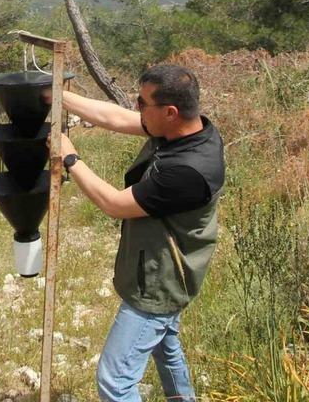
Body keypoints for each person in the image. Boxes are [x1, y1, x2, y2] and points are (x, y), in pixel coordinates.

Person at [59, 65, 225, 402]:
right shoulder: (187, 130)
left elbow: (115, 204)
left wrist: (70, 157)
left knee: (115, 380)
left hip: (159, 282)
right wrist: (56, 96)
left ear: (170, 111)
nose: (136, 108)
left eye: (141, 103)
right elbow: (116, 117)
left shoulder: (188, 171)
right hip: (164, 272)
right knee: (167, 348)